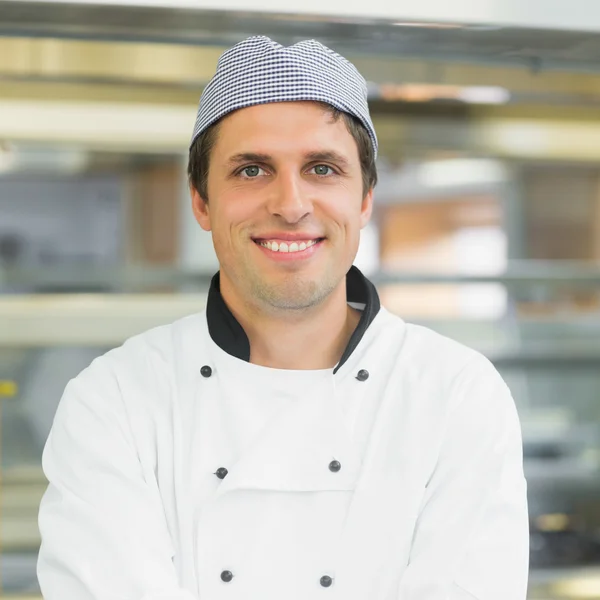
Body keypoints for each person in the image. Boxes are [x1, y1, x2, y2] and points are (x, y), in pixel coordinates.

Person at [37, 36, 529, 600]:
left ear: (365, 199)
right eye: (251, 171)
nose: (291, 205)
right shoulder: (116, 400)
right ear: (201, 201)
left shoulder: (456, 394)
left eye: (322, 168)